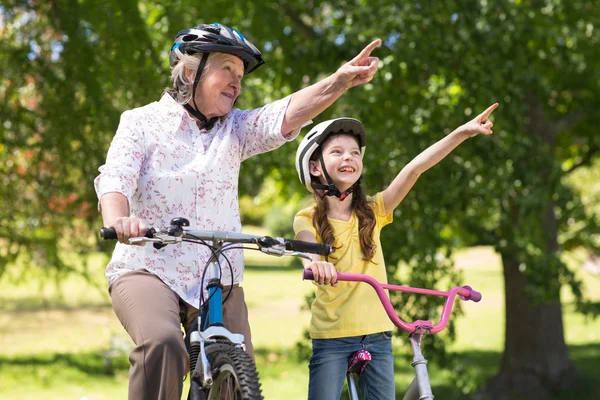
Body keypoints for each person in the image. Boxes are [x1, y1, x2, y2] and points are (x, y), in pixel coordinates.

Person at [94, 22, 381, 400]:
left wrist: (339, 81)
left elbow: (285, 114)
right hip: (148, 267)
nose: (237, 82)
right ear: (191, 70)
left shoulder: (235, 129)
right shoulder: (140, 123)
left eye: (241, 75)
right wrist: (120, 220)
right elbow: (115, 179)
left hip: (219, 273)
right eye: (227, 68)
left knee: (236, 367)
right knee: (163, 346)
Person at [293, 103, 499, 400]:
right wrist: (315, 263)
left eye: (354, 152)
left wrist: (461, 133)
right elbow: (305, 245)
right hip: (332, 337)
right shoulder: (307, 217)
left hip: (378, 335)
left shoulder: (374, 211)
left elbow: (414, 169)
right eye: (337, 152)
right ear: (315, 167)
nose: (348, 157)